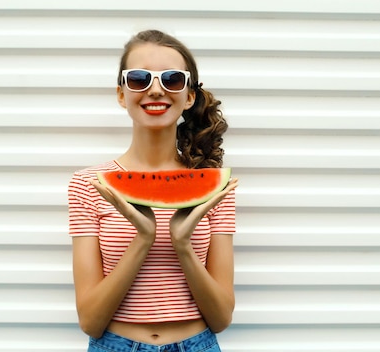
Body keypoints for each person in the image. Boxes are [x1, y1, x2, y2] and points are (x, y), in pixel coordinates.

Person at [68, 29, 238, 352]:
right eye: (139, 79)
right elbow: (89, 321)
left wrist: (183, 244)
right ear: (121, 94)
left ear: (189, 95)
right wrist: (143, 239)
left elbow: (221, 318)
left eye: (172, 79)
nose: (156, 90)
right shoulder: (87, 185)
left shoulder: (216, 188)